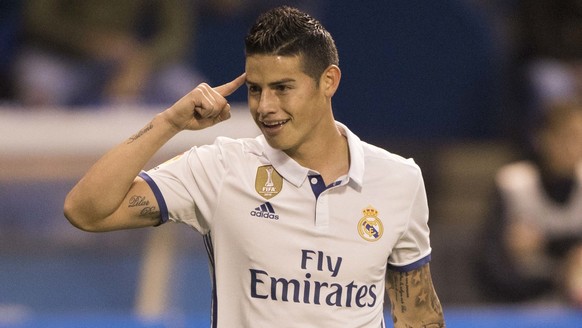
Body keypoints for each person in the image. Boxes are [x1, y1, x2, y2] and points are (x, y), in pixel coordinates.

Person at [64, 6, 445, 327]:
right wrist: (169, 122)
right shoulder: (219, 167)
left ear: (328, 81)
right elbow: (86, 211)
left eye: (282, 88)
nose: (264, 107)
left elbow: (418, 314)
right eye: (255, 89)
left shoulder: (399, 179)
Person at [477, 100, 582, 306]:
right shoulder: (513, 184)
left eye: (579, 139)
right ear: (542, 138)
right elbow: (489, 266)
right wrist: (557, 277)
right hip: (523, 308)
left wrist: (546, 244)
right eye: (566, 137)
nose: (574, 147)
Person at [13, 0, 203, 107]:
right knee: (40, 88)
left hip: (124, 59)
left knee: (189, 90)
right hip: (62, 57)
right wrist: (89, 41)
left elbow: (176, 33)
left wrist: (142, 62)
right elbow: (38, 21)